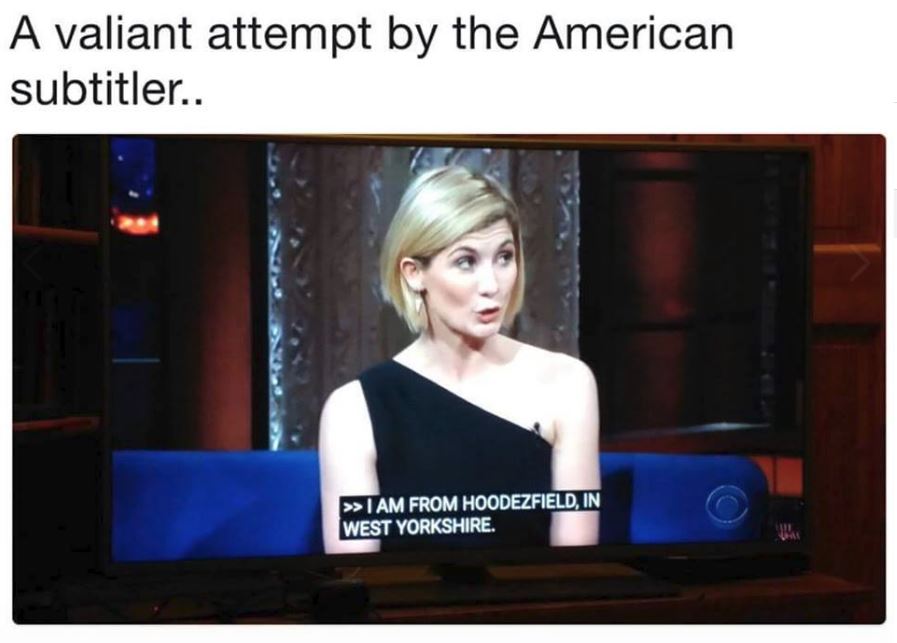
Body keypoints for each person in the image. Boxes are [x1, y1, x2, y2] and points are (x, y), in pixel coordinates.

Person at [319, 165, 600, 553]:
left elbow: (575, 568)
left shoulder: (567, 384)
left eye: (504, 257)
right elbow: (355, 575)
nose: (492, 285)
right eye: (466, 262)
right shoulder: (353, 411)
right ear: (414, 273)